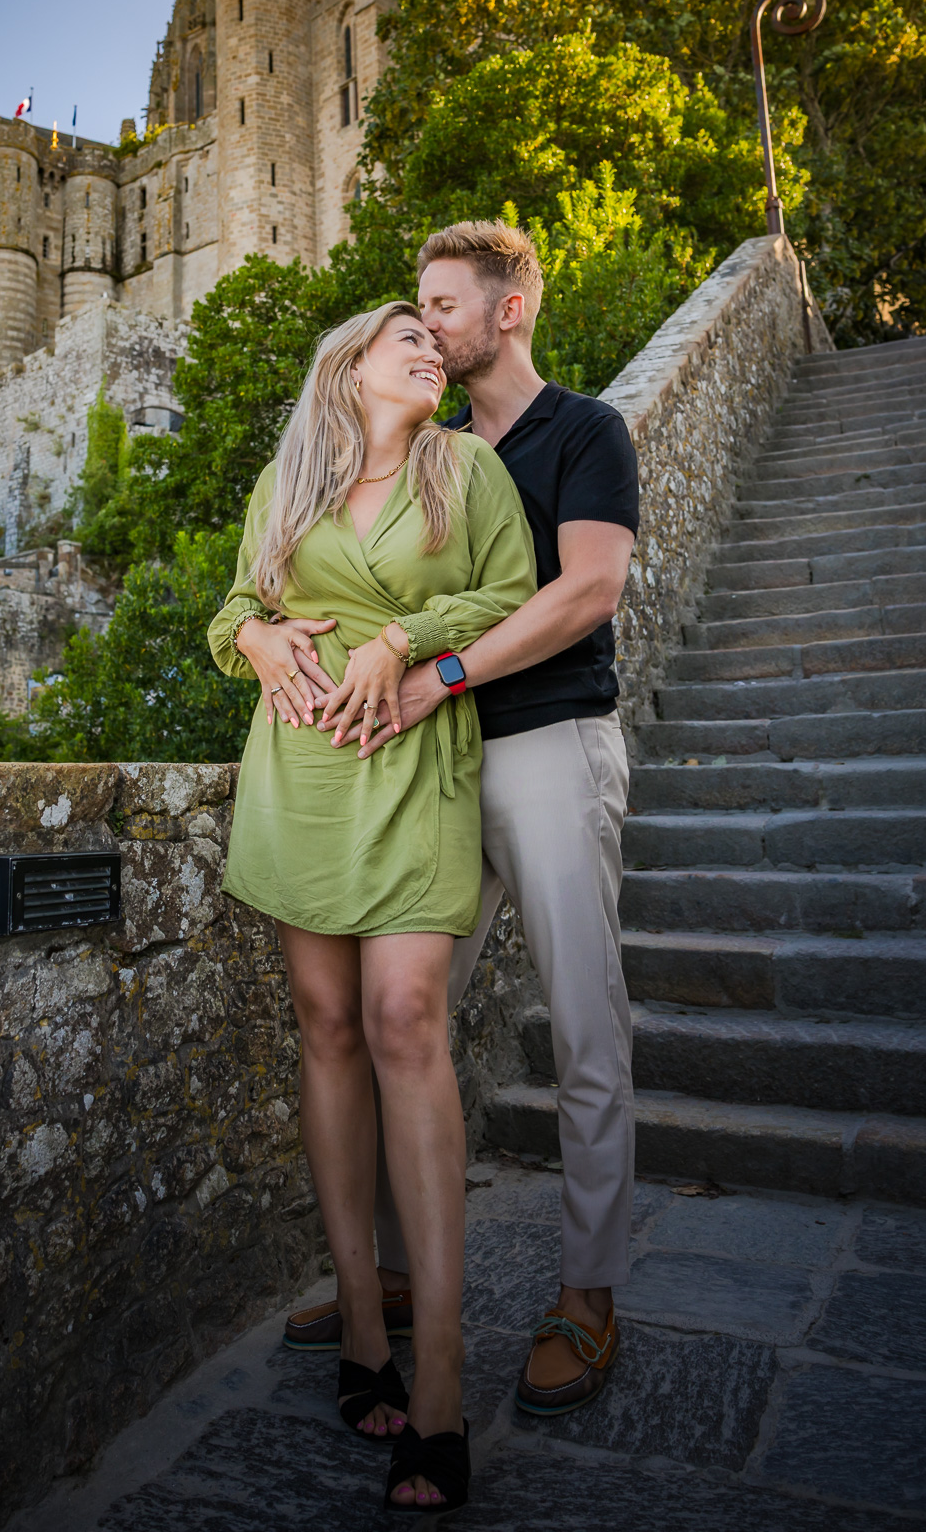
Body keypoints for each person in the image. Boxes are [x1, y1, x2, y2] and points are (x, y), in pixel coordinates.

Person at [285, 219, 640, 1419]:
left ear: (510, 307)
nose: (425, 322)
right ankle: (385, 1277)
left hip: (543, 744)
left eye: (443, 303)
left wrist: (438, 672)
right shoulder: (420, 454)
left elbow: (587, 589)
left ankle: (588, 1294)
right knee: (402, 1025)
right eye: (418, 310)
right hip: (419, 771)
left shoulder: (583, 431)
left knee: (585, 1020)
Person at [209, 300, 536, 1514]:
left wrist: (396, 636)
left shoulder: (470, 468)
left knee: (405, 1018)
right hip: (299, 768)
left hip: (410, 756)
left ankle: (441, 1377)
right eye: (402, 336)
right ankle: (361, 1326)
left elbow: (512, 596)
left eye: (430, 339)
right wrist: (253, 638)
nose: (424, 349)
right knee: (326, 1025)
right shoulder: (286, 484)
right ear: (346, 366)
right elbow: (231, 609)